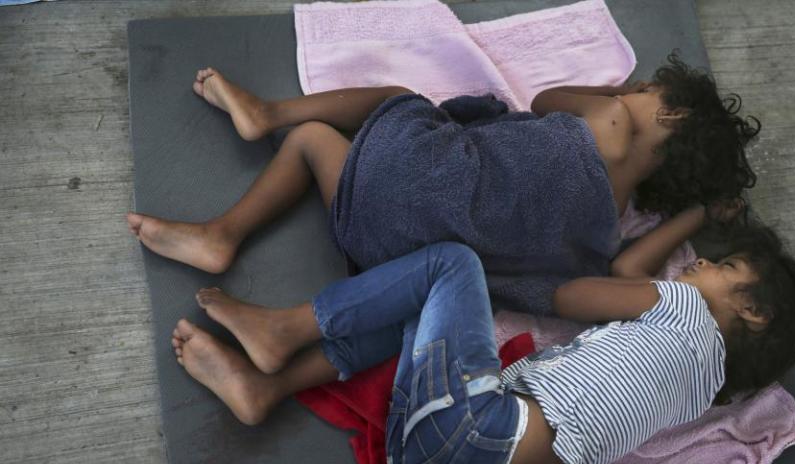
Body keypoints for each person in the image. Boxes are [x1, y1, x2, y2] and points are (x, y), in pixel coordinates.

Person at [169, 204, 795, 464]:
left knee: (452, 265)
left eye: (724, 265)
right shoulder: (699, 392)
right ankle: (264, 389)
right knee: (423, 315)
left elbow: (582, 290)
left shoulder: (682, 307)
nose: (702, 263)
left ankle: (283, 330)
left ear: (753, 311)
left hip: (469, 431)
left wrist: (691, 217)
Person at [128, 55, 760, 314]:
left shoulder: (613, 117)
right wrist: (698, 214)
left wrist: (616, 90)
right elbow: (630, 272)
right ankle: (219, 237)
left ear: (667, 114)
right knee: (323, 151)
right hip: (396, 260)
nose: (636, 90)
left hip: (412, 184)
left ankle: (266, 123)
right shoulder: (609, 219)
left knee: (395, 102)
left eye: (651, 89)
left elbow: (543, 99)